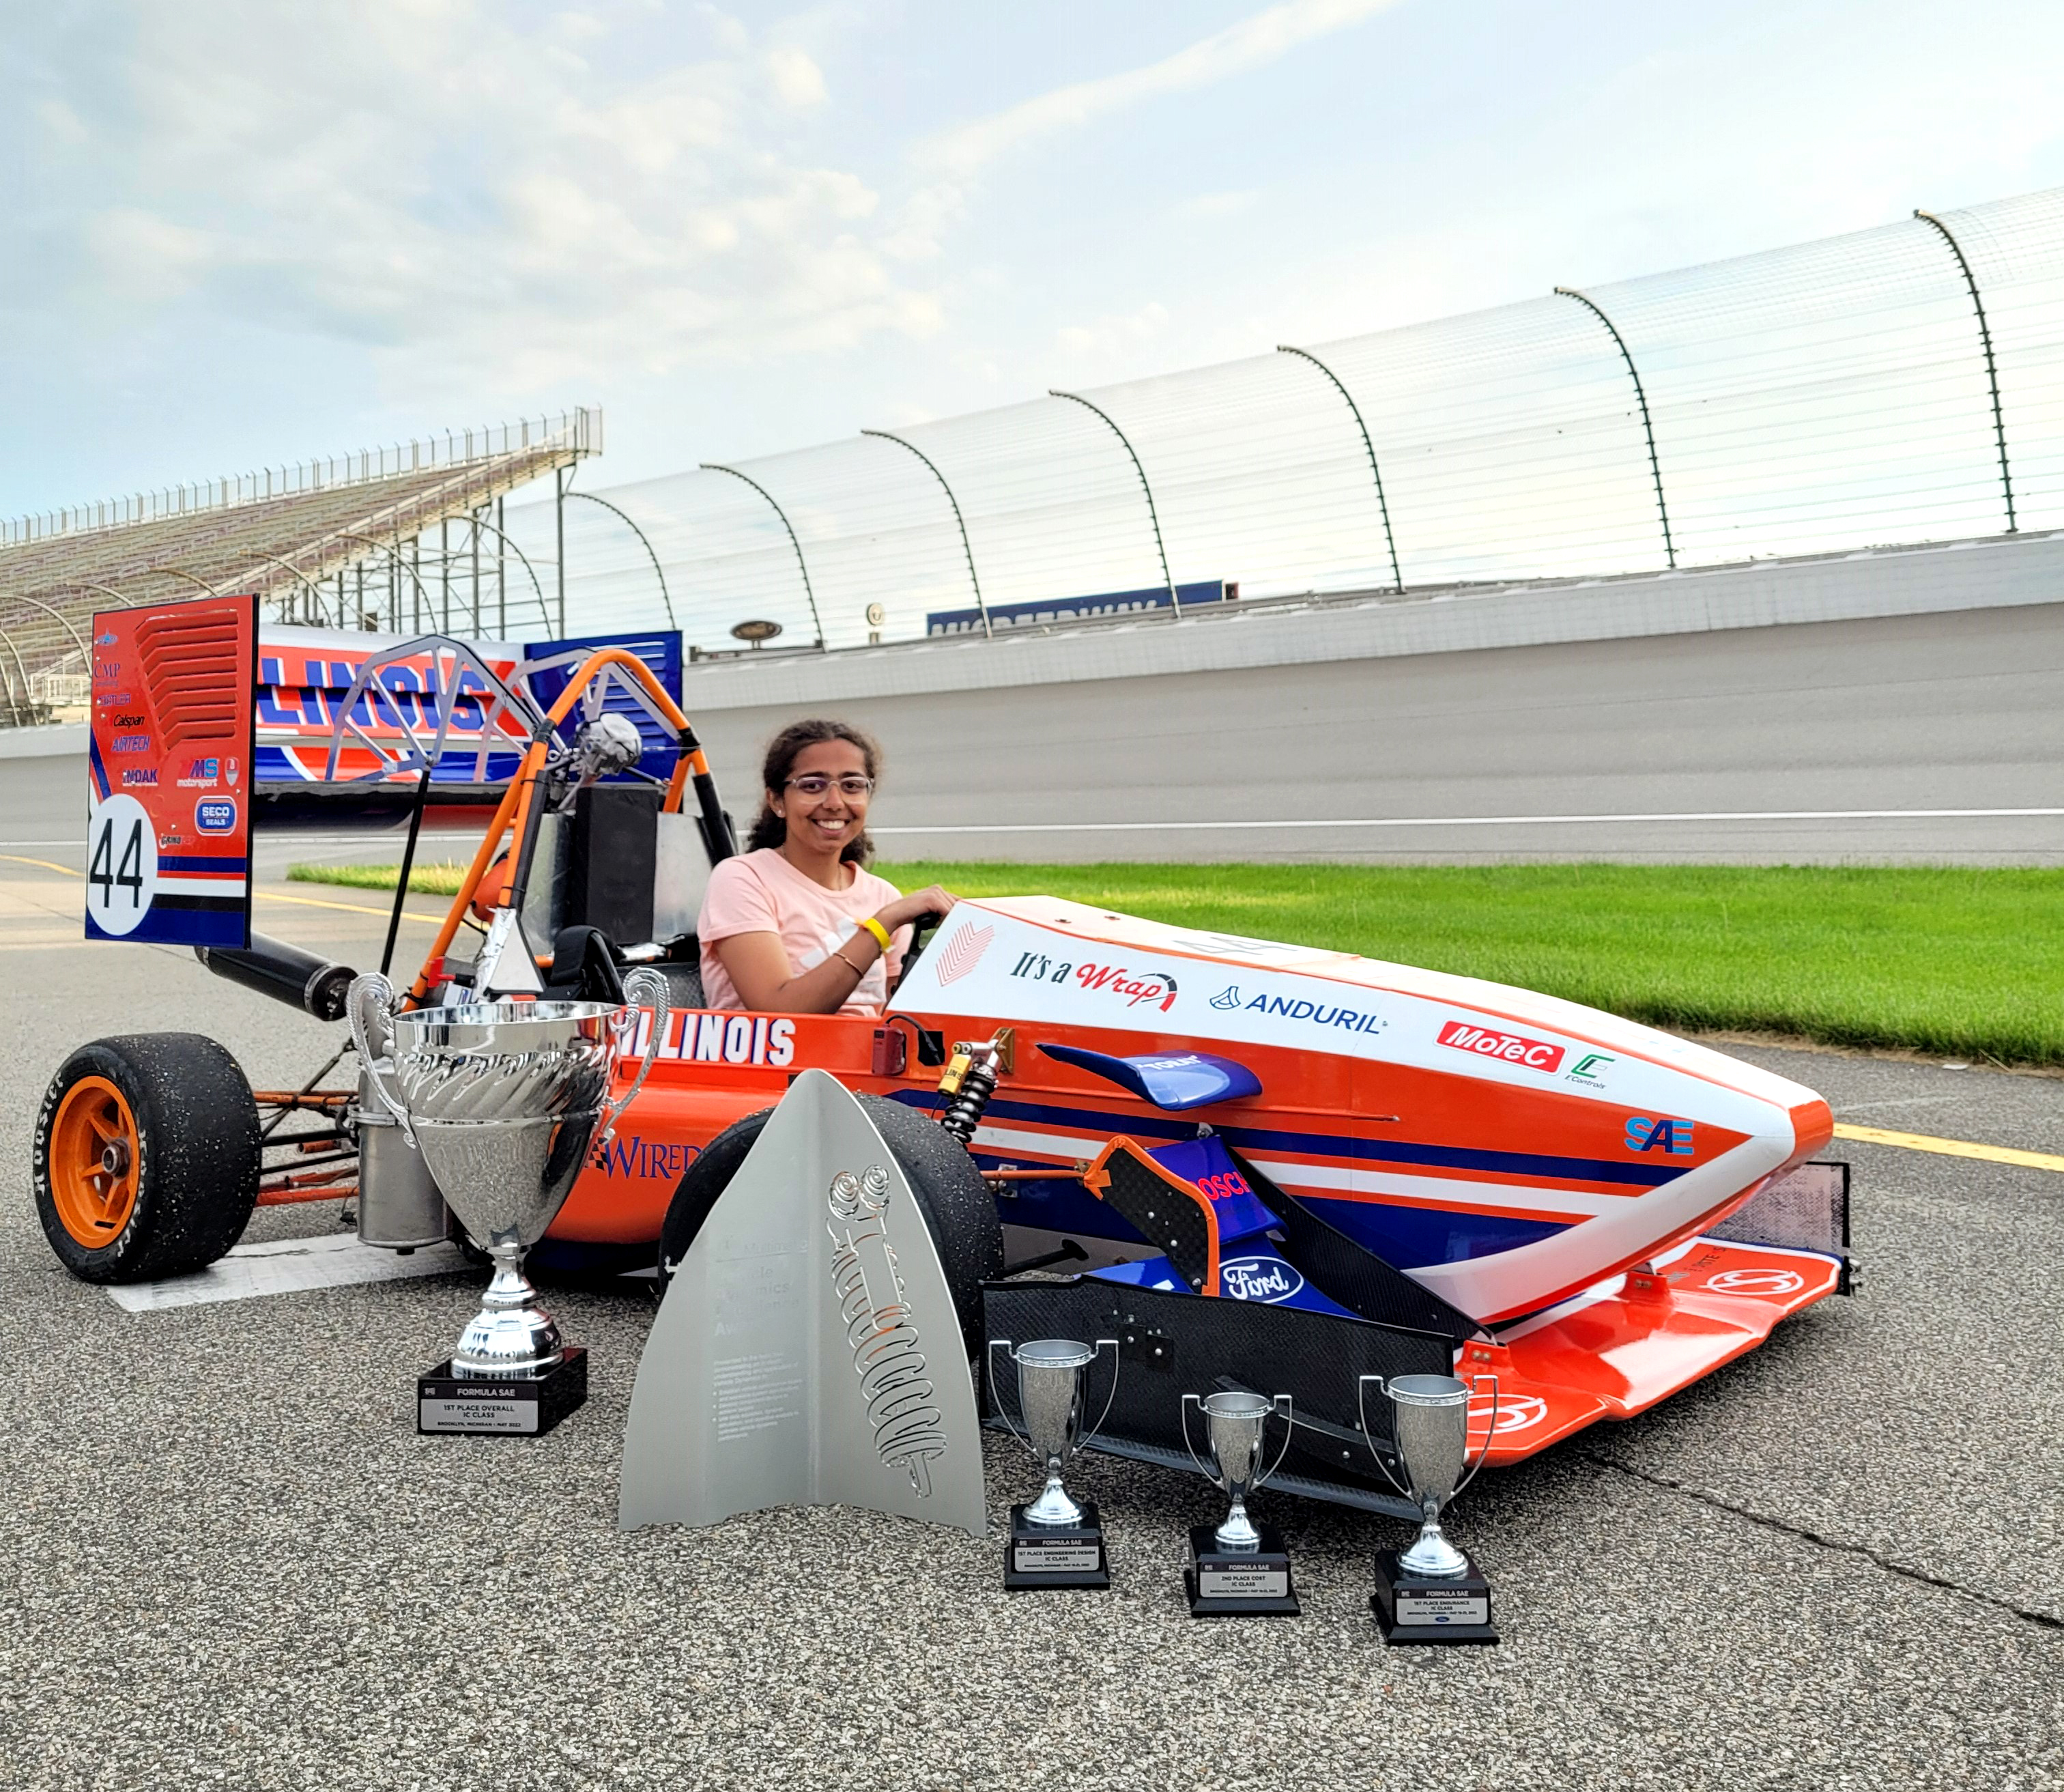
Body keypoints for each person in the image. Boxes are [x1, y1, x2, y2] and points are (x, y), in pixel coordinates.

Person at [698, 718, 956, 1015]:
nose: (835, 802)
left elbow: (901, 1021)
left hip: (862, 1060)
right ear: (777, 800)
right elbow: (778, 1010)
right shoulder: (742, 879)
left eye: (852, 786)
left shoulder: (882, 895)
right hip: (777, 1059)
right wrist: (881, 926)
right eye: (812, 786)